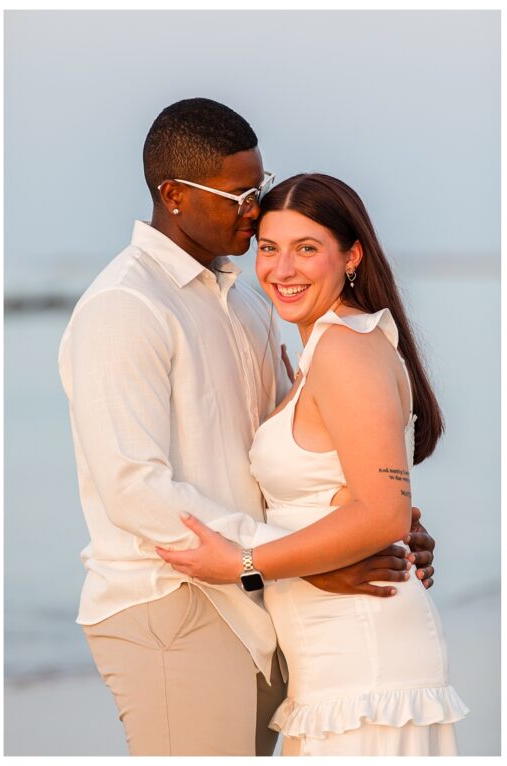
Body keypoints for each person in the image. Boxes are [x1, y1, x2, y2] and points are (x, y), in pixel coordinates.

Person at [58, 98, 437, 756]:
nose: (256, 209)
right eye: (238, 195)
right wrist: (284, 564)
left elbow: (304, 452)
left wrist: (392, 516)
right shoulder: (125, 307)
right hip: (173, 601)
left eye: (259, 188)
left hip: (263, 602)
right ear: (174, 195)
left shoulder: (248, 306)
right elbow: (136, 490)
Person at [157, 173, 467, 756]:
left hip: (365, 657)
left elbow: (381, 516)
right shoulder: (323, 348)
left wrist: (241, 564)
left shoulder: (346, 349)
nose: (282, 269)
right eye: (268, 248)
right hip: (331, 658)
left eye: (306, 248)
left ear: (351, 255)